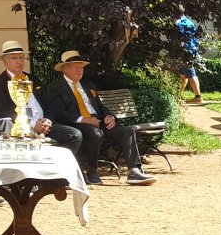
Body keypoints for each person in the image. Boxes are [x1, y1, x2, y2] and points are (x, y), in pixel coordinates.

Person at [40, 50, 156, 186]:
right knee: (95, 133)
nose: (80, 70)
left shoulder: (88, 85)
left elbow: (100, 106)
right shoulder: (55, 88)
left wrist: (109, 115)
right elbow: (58, 112)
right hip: (75, 123)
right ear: (65, 69)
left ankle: (134, 171)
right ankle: (92, 171)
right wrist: (83, 119)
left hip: (97, 121)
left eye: (81, 67)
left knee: (127, 131)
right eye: (76, 67)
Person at [0, 40, 53, 137]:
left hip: (45, 125)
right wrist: (32, 123)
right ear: (5, 61)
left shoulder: (33, 79)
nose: (19, 62)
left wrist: (48, 120)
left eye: (21, 57)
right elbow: (2, 111)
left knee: (72, 135)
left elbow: (47, 102)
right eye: (14, 58)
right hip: (18, 128)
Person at [176, 10, 204, 104]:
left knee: (191, 74)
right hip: (192, 50)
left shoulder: (180, 23)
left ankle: (198, 97)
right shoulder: (189, 22)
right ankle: (178, 96)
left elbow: (181, 38)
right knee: (183, 75)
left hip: (186, 52)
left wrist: (180, 48)